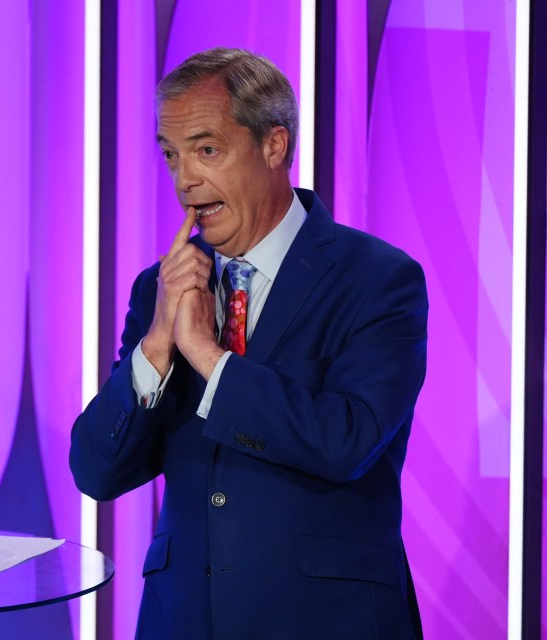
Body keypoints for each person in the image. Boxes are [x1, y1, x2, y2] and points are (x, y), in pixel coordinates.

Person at [70, 47, 427, 639]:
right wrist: (158, 346)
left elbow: (349, 440)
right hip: (184, 618)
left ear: (273, 146)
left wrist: (208, 359)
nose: (185, 180)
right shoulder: (162, 290)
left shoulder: (377, 278)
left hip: (326, 622)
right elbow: (97, 472)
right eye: (172, 155)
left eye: (207, 150)